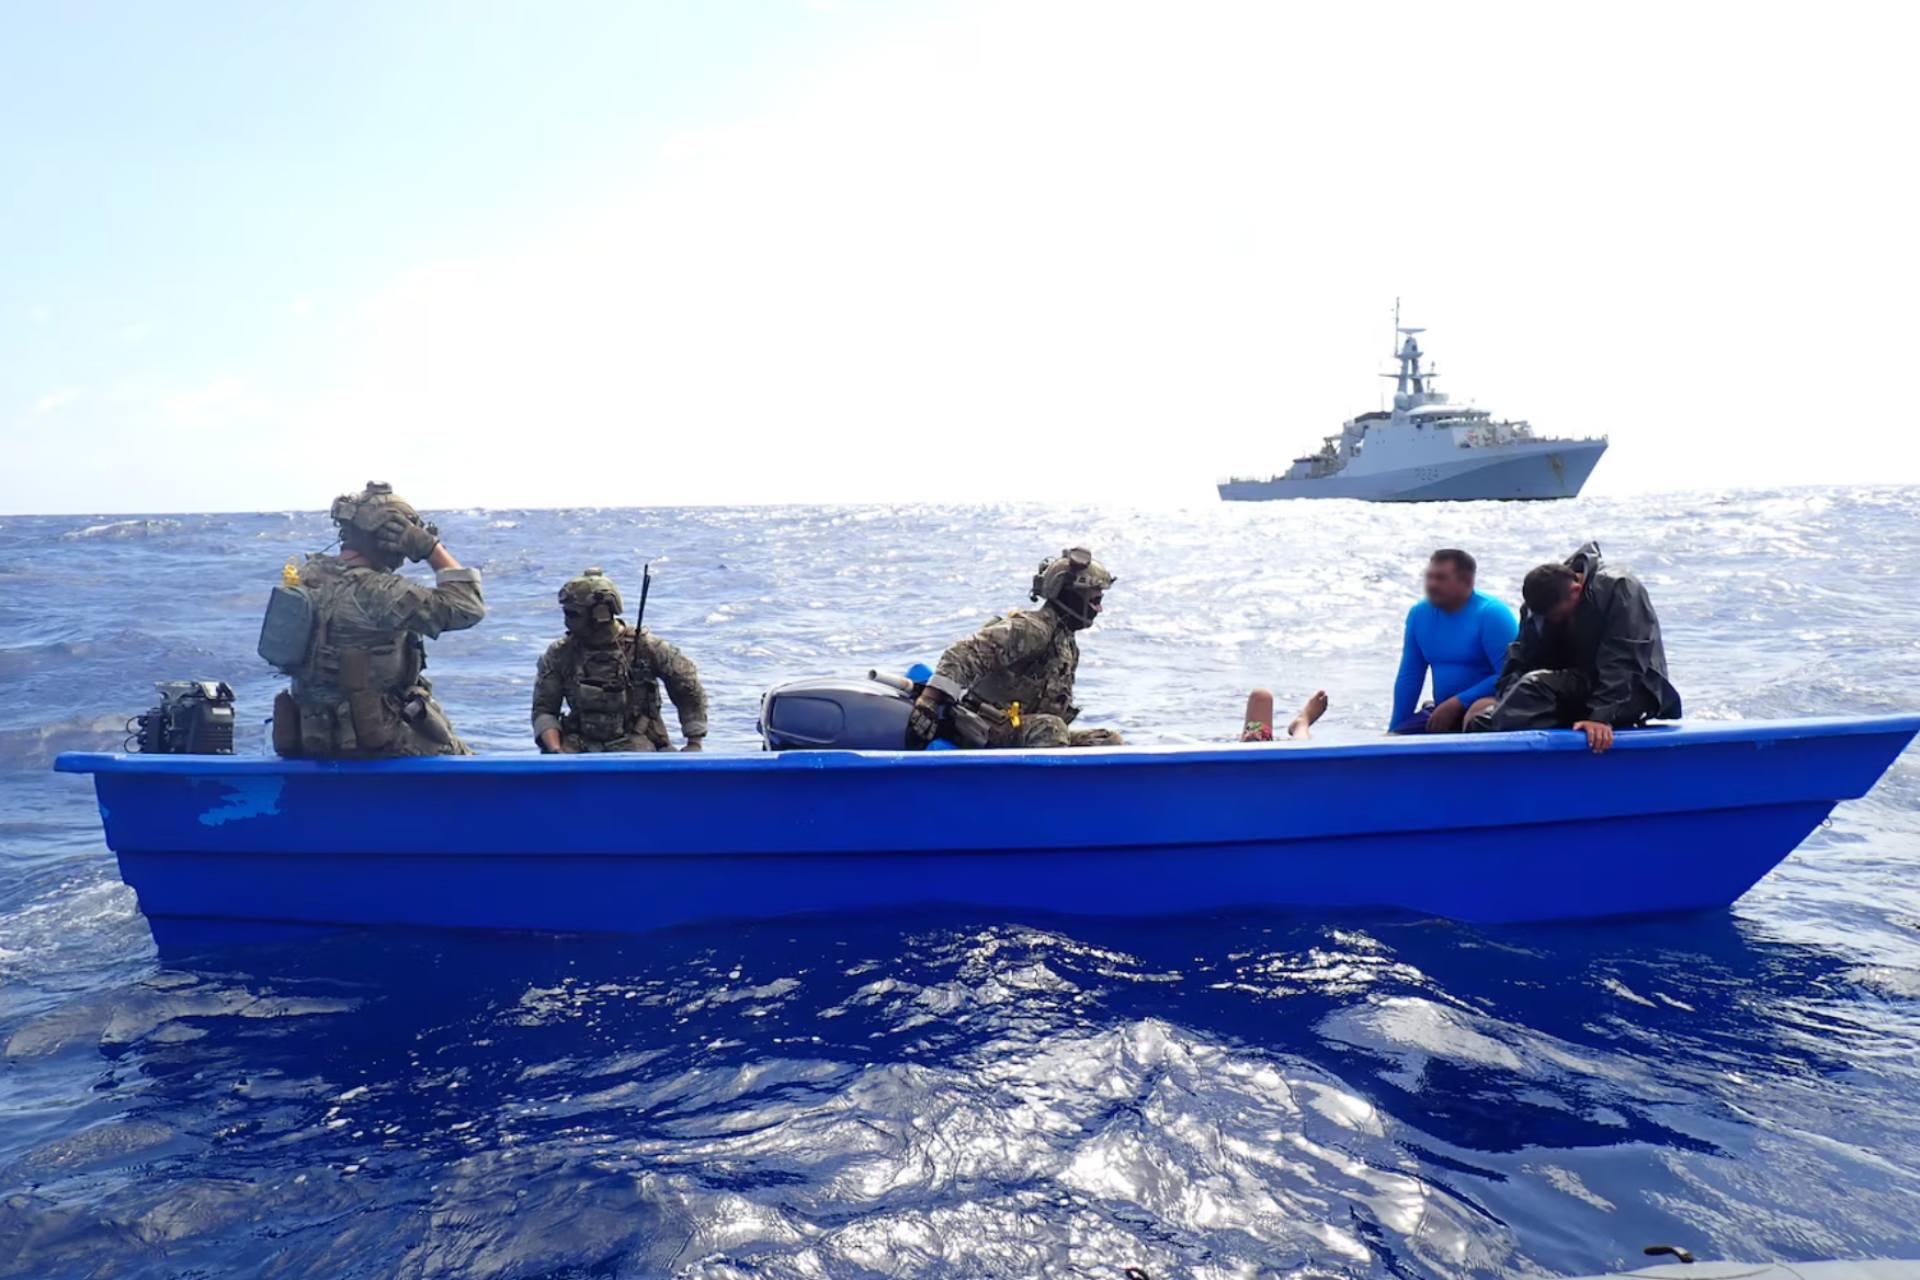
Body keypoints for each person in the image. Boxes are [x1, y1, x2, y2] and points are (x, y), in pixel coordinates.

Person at [270, 482, 485, 757]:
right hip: (375, 741)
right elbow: (469, 606)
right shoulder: (380, 591)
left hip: (312, 738)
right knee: (458, 754)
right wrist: (430, 548)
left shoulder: (305, 578)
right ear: (390, 537)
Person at [1467, 540, 1682, 751]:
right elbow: (1521, 658)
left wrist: (1600, 716)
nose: (1553, 622)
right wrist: (1504, 700)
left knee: (1534, 685)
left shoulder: (1618, 588)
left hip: (1631, 691)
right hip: (1574, 687)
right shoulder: (1539, 606)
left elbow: (1625, 659)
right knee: (1479, 721)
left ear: (1576, 590)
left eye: (1558, 616)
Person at [906, 547, 1124, 749]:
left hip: (1021, 727)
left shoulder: (1066, 643)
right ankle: (1040, 789)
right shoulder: (1032, 629)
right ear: (1071, 594)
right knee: (1051, 729)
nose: (1100, 609)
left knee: (1108, 741)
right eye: (1095, 600)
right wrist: (929, 701)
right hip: (982, 726)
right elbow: (964, 652)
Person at [532, 567, 708, 753]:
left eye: (573, 614)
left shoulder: (646, 648)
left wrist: (693, 743)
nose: (567, 621)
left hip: (638, 741)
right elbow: (544, 710)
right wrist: (556, 750)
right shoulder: (561, 653)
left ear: (600, 614)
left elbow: (688, 688)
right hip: (580, 742)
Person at [1389, 548, 1519, 734]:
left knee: (1476, 713)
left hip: (1492, 705)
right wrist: (1395, 728)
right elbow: (1410, 676)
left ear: (1466, 581)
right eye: (1429, 577)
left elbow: (1511, 675)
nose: (1431, 584)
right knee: (1396, 735)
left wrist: (1459, 701)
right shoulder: (1419, 614)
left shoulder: (1492, 614)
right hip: (1442, 710)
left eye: (1441, 578)